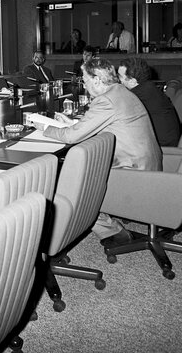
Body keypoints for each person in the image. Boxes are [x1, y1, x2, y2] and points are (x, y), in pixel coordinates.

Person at [38, 58, 161, 244]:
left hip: (135, 174)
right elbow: (108, 124)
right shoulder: (120, 91)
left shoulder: (106, 100)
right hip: (146, 165)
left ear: (96, 80)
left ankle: (112, 231)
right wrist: (73, 124)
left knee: (71, 187)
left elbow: (71, 138)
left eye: (85, 80)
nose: (84, 85)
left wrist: (44, 128)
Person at [118, 58, 180, 147]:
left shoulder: (137, 95)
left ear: (132, 81)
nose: (118, 80)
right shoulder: (149, 88)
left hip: (162, 147)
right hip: (166, 140)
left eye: (120, 76)